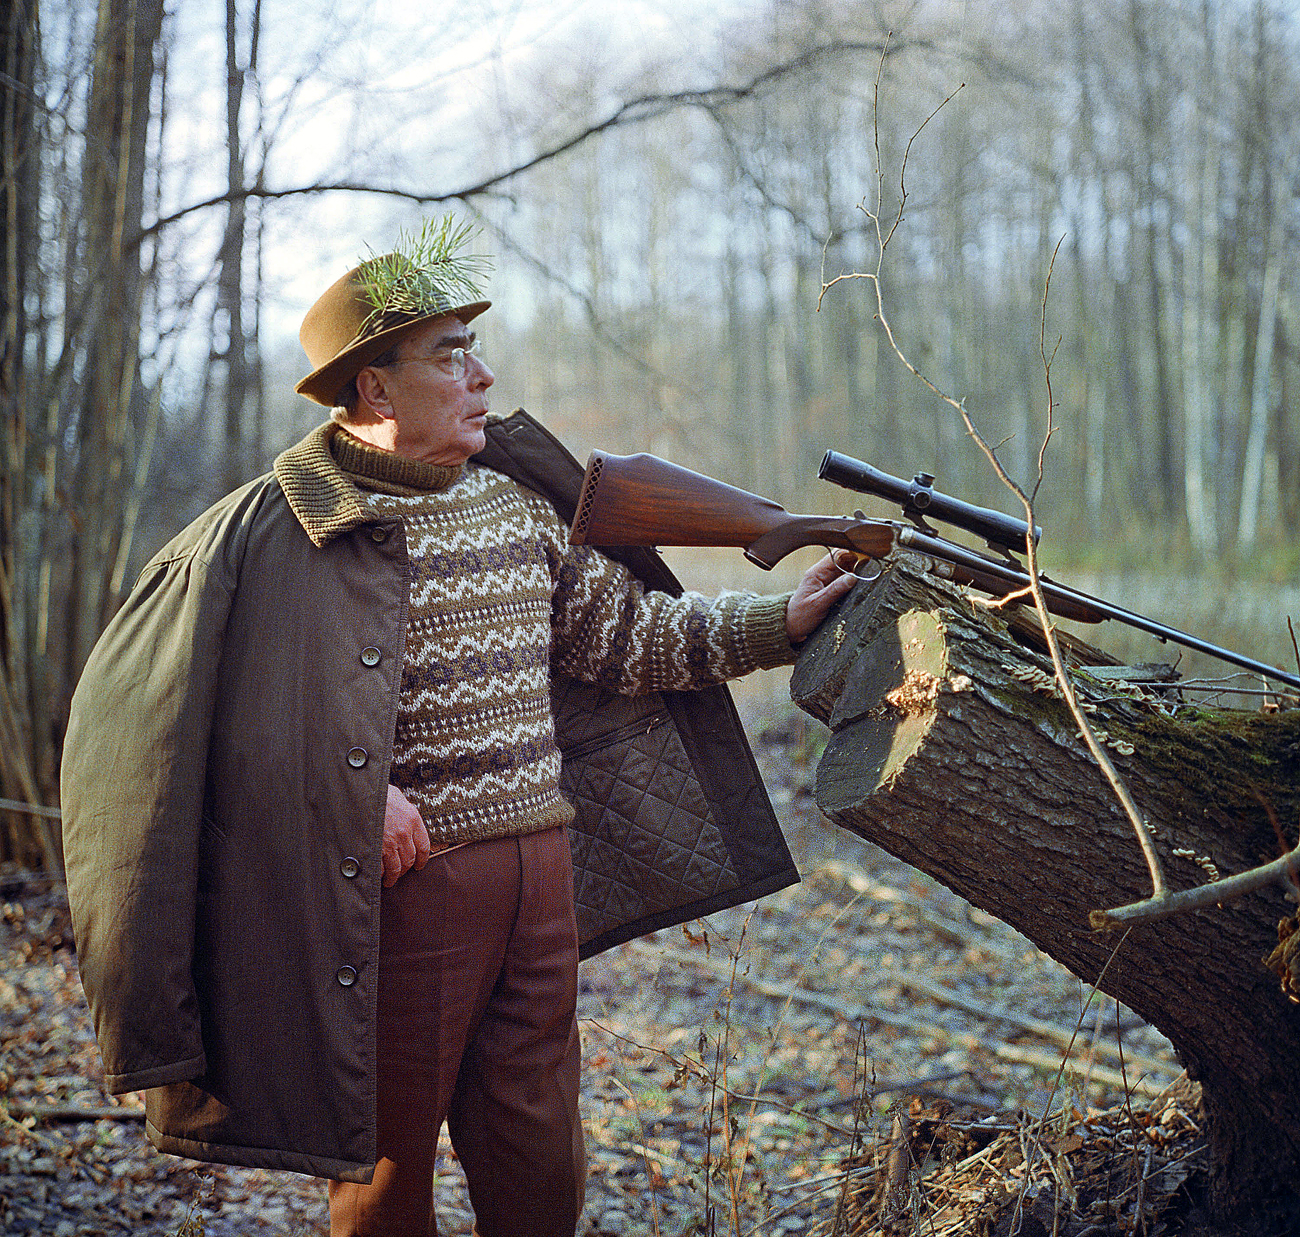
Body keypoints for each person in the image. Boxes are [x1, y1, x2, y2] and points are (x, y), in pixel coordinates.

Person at [61, 220, 855, 1237]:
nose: (481, 375)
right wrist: (352, 803)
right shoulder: (277, 535)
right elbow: (180, 738)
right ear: (375, 390)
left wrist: (779, 622)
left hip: (541, 876)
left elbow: (629, 638)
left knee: (537, 1156)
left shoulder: (512, 509)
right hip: (397, 897)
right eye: (451, 355)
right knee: (388, 1172)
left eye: (476, 350)